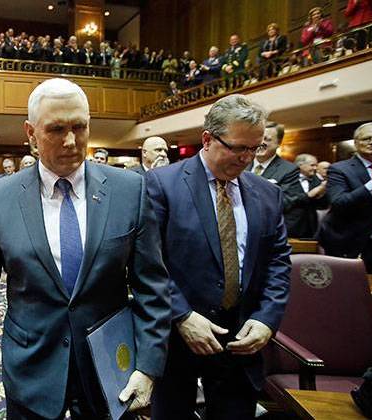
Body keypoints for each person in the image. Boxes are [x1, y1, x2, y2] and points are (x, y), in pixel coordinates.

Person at [0, 78, 171, 419]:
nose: (71, 141)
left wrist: (148, 367)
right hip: (31, 369)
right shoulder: (1, 197)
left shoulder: (129, 190)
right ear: (30, 133)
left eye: (79, 127)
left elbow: (153, 287)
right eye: (56, 129)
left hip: (108, 371)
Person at [145, 94, 291, 419]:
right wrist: (182, 316)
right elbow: (148, 264)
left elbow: (278, 264)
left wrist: (267, 318)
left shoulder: (268, 193)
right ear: (207, 139)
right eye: (238, 148)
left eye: (255, 148)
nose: (247, 158)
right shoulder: (162, 185)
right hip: (177, 338)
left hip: (242, 338)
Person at [318, 122, 372, 273]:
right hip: (351, 244)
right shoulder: (339, 169)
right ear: (356, 143)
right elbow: (339, 203)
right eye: (367, 138)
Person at [247, 122, 302, 211]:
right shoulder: (242, 164)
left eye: (267, 139)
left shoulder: (289, 170)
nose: (261, 143)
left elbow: (286, 202)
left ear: (279, 143)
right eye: (257, 138)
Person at [284, 154, 329, 239]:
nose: (315, 168)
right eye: (312, 165)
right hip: (291, 226)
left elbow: (323, 205)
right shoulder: (288, 178)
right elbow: (288, 201)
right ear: (300, 165)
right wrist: (309, 195)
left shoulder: (317, 180)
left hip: (311, 227)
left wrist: (322, 194)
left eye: (316, 165)